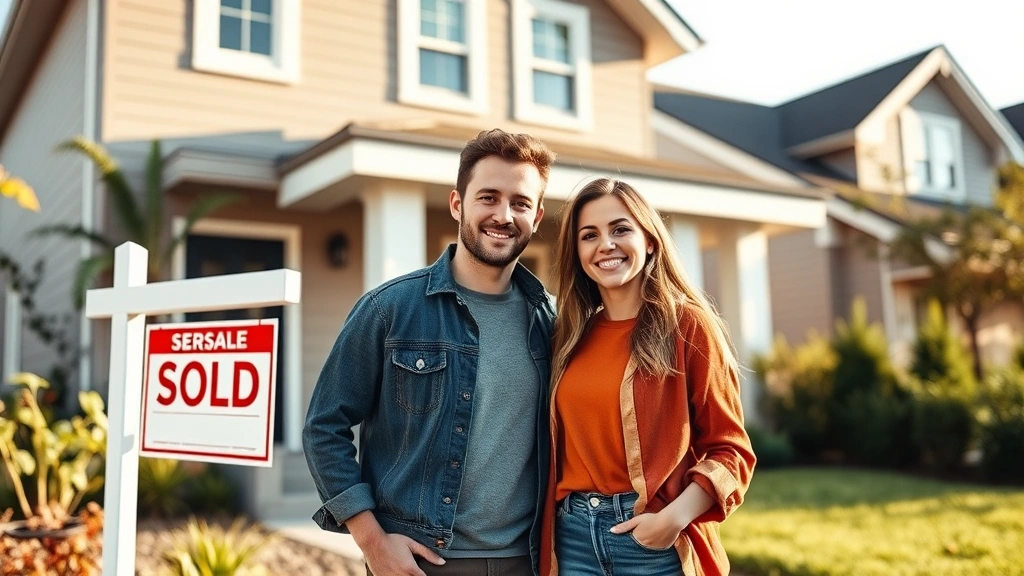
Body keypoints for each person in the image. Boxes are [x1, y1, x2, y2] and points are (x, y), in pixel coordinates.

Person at [303, 129, 558, 576]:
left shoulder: (552, 321)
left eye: (519, 202)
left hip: (529, 560)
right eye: (488, 197)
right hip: (422, 561)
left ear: (537, 216)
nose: (503, 214)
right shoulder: (390, 309)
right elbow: (325, 426)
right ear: (458, 203)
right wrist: (372, 540)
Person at [539, 178, 756, 576]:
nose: (605, 244)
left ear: (650, 240)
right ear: (578, 253)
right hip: (571, 542)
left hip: (654, 543)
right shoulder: (568, 336)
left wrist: (672, 520)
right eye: (589, 235)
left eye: (621, 229)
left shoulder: (687, 326)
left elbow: (732, 451)